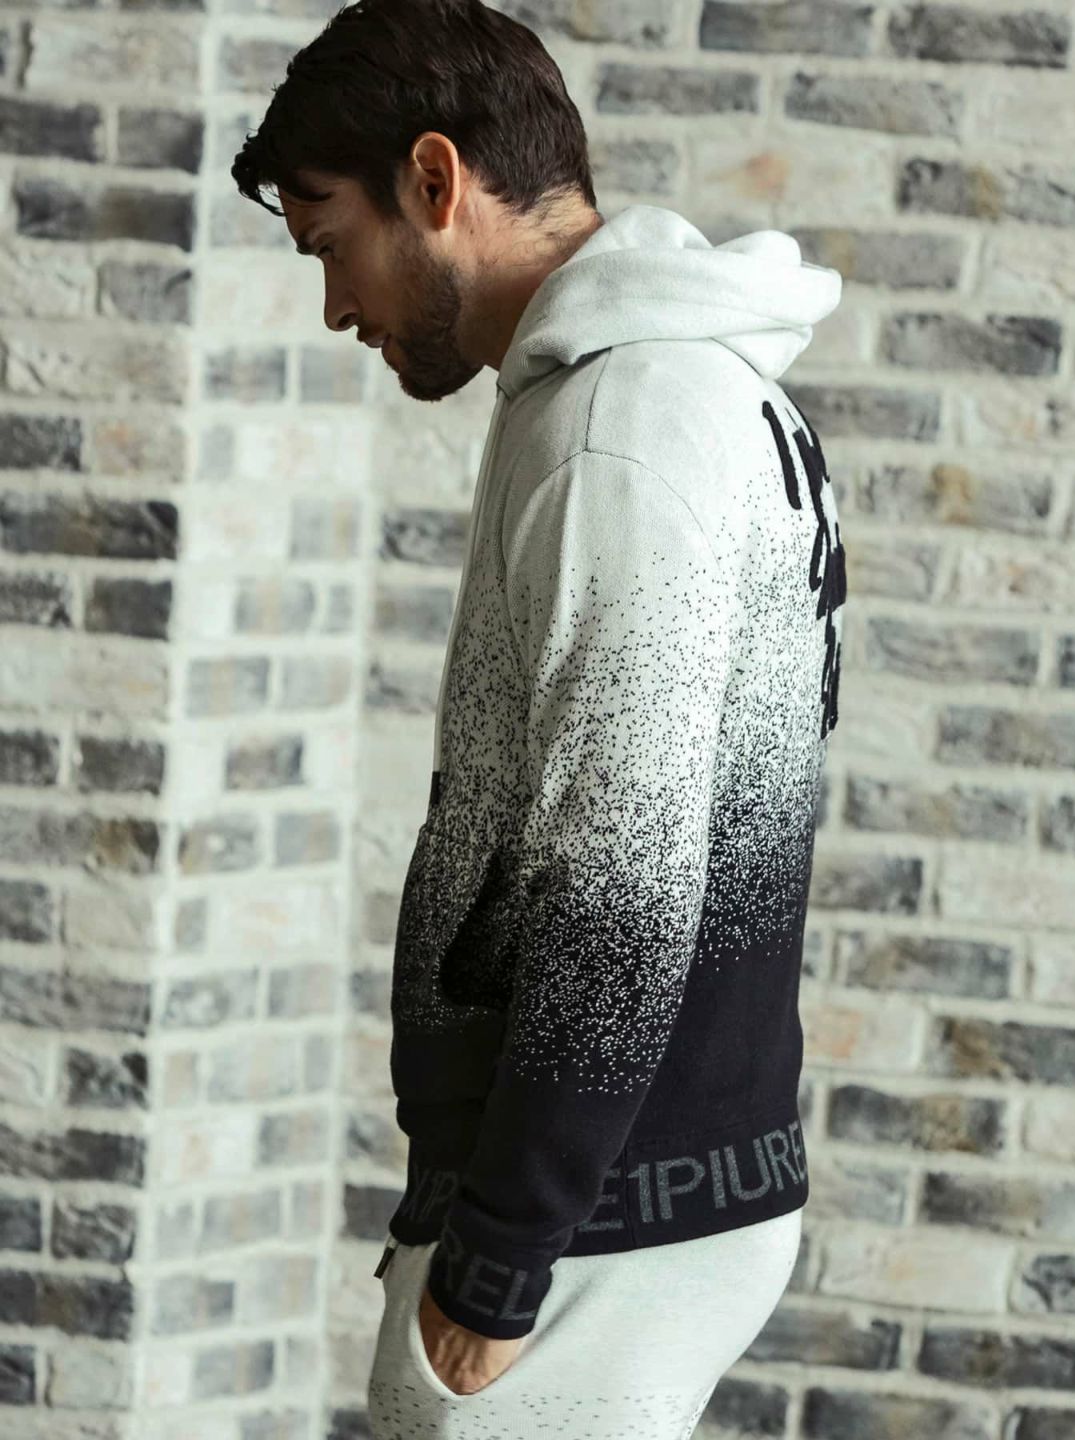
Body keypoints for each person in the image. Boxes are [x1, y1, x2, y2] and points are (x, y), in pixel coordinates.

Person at [232, 2, 846, 1435]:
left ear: (434, 181)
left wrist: (503, 1252)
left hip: (593, 1222)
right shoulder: (682, 388)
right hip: (649, 1182)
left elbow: (624, 880)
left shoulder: (619, 428)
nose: (334, 306)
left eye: (330, 243)